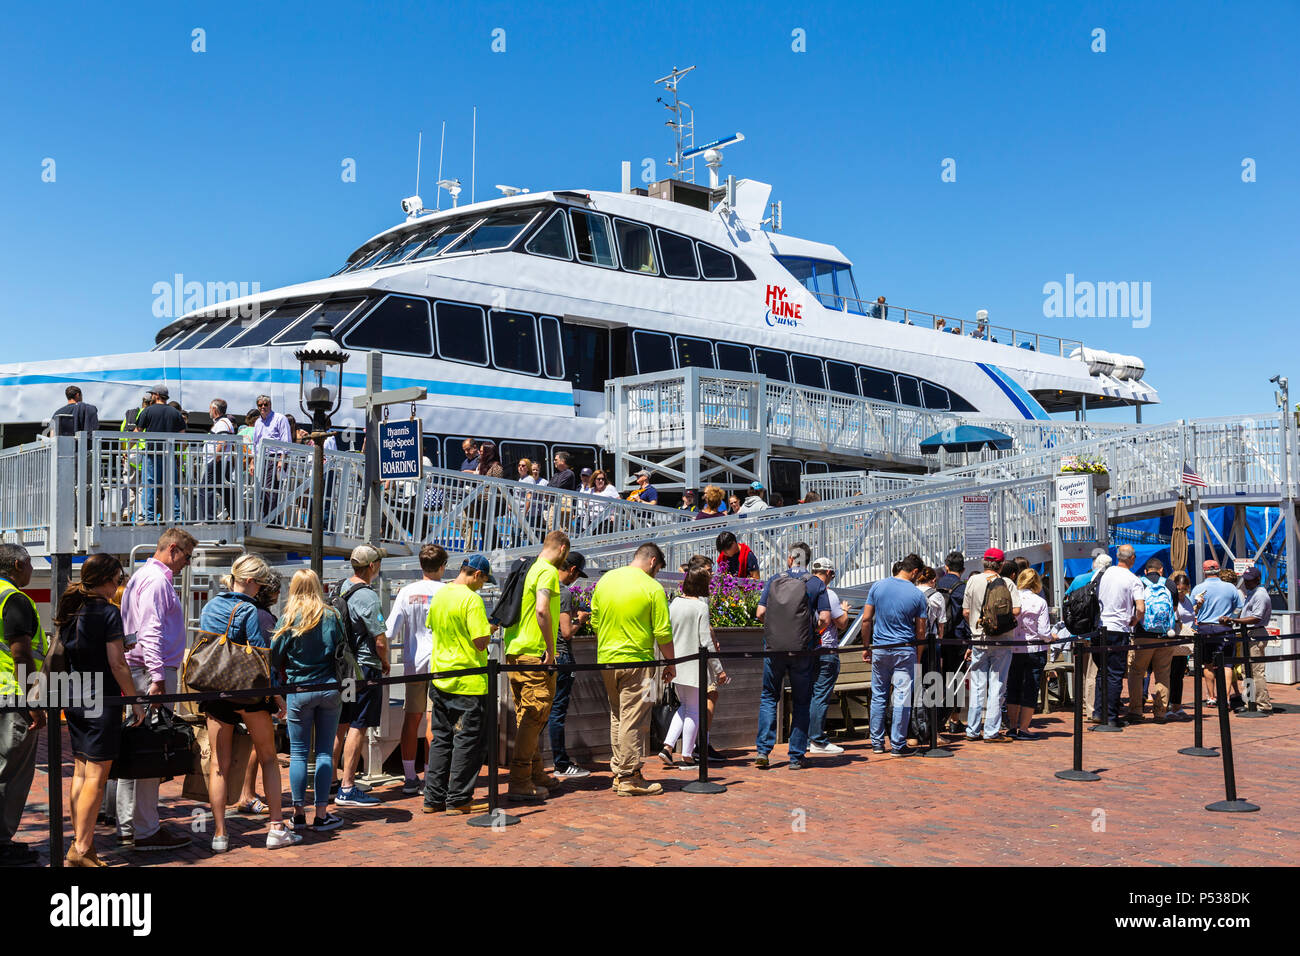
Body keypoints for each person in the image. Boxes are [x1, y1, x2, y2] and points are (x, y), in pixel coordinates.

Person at [198, 554, 300, 851]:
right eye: (260, 584)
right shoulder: (249, 611)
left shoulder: (210, 606)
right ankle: (276, 828)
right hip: (248, 694)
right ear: (251, 581)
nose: (261, 590)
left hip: (215, 691)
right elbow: (261, 659)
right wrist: (277, 696)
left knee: (219, 765)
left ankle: (219, 834)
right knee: (268, 758)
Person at [55, 554, 143, 866]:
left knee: (81, 773)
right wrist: (134, 700)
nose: (119, 583)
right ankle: (81, 848)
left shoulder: (71, 609)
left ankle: (80, 846)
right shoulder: (107, 611)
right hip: (102, 699)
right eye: (119, 577)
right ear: (107, 578)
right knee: (96, 775)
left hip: (75, 698)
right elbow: (117, 663)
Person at [116, 528, 195, 851]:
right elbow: (151, 630)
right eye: (187, 557)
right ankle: (145, 829)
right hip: (150, 671)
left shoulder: (141, 576)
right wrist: (158, 676)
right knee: (149, 750)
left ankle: (129, 825)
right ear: (173, 549)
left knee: (137, 748)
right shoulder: (158, 580)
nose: (187, 564)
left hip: (139, 669)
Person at [590, 543, 675, 795]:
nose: (656, 573)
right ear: (652, 562)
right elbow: (662, 632)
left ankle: (620, 772)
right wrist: (671, 663)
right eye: (658, 569)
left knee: (618, 716)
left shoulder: (605, 581)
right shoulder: (652, 587)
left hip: (607, 659)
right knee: (634, 719)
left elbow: (595, 620)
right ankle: (629, 776)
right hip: (639, 661)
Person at [270, 569, 346, 833]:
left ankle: (299, 813)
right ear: (317, 587)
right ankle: (322, 814)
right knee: (325, 751)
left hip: (298, 691)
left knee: (299, 753)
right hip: (328, 688)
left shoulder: (287, 619)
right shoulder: (332, 616)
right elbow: (341, 651)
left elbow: (275, 658)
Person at [424, 555, 495, 814]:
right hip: (469, 682)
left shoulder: (441, 594)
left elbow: (432, 627)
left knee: (442, 739)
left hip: (440, 676)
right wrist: (491, 629)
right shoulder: (471, 599)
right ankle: (459, 799)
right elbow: (480, 641)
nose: (483, 586)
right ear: (476, 575)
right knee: (467, 740)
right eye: (484, 580)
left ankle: (433, 798)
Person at [503, 531, 569, 803]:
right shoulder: (547, 571)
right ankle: (520, 781)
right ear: (563, 548)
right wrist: (551, 649)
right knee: (534, 717)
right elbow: (542, 609)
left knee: (527, 718)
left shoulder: (526, 568)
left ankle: (536, 772)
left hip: (514, 652)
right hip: (535, 655)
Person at [754, 545, 829, 770]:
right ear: (808, 560)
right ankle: (796, 756)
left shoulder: (775, 579)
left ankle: (763, 752)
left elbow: (760, 613)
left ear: (790, 558)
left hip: (774, 649)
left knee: (769, 697)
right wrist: (812, 631)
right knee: (801, 701)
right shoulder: (816, 584)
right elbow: (825, 618)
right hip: (802, 651)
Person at [0, 544, 49, 865]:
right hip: (11, 695)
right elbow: (20, 653)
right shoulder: (14, 598)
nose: (32, 570)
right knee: (11, 773)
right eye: (30, 564)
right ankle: (2, 844)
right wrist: (34, 700)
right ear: (18, 564)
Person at [385, 544, 447, 794]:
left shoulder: (407, 592)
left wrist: (382, 658)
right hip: (443, 663)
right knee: (435, 721)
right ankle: (431, 777)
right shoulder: (448, 592)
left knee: (412, 719)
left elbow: (389, 631)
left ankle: (410, 777)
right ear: (442, 566)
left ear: (420, 565)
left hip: (414, 662)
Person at [333, 545, 391, 807]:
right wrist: (385, 662)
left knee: (342, 723)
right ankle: (347, 787)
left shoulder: (340, 587)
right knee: (359, 725)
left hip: (344, 668)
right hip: (365, 668)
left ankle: (330, 781)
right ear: (372, 566)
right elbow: (379, 640)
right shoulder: (368, 596)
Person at [658, 567, 728, 767]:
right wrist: (719, 669)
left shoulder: (675, 604)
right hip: (695, 665)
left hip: (677, 663)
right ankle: (687, 756)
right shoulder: (700, 607)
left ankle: (668, 747)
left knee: (686, 707)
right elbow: (706, 641)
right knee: (694, 711)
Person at [861, 554, 927, 756]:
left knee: (879, 696)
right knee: (901, 697)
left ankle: (877, 743)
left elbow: (866, 619)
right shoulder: (917, 595)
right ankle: (898, 744)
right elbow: (921, 631)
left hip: (880, 648)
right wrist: (918, 655)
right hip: (904, 649)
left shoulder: (878, 586)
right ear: (914, 572)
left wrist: (866, 646)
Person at [962, 548, 1021, 743]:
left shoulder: (973, 580)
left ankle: (972, 729)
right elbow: (1017, 610)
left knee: (978, 685)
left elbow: (965, 611)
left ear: (983, 562)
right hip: (1002, 639)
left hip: (979, 637)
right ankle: (991, 731)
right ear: (1001, 564)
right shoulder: (1008, 583)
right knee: (997, 685)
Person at [549, 551, 592, 778]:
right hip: (562, 657)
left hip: (545, 655)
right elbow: (566, 633)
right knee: (557, 712)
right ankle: (561, 763)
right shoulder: (563, 592)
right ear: (573, 569)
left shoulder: (543, 586)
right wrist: (579, 620)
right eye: (577, 575)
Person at [1093, 544, 1145, 726]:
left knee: (1102, 672)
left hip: (1099, 627)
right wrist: (1135, 620)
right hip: (1118, 629)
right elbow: (1140, 607)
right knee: (1115, 674)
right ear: (1132, 558)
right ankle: (1111, 717)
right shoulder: (1133, 579)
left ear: (1117, 556)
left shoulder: (1103, 573)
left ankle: (1099, 711)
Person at [807, 557, 850, 756]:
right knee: (820, 696)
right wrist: (846, 612)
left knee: (809, 695)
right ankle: (817, 739)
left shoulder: (804, 589)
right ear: (830, 573)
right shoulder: (828, 593)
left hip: (808, 650)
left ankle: (807, 737)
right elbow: (840, 622)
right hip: (826, 649)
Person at [1126, 559, 1176, 723]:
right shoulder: (1170, 584)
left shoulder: (1140, 583)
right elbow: (1174, 609)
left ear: (1146, 571)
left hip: (1143, 634)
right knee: (1163, 674)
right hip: (1165, 636)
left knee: (1137, 672)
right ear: (1161, 569)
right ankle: (1160, 713)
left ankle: (1135, 710)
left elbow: (1135, 607)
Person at [1007, 569, 1051, 739]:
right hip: (1034, 648)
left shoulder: (1012, 598)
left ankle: (1012, 726)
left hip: (1013, 648)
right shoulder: (1039, 601)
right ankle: (1024, 728)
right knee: (1030, 689)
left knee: (1013, 686)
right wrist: (1051, 637)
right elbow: (1044, 631)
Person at [1191, 560, 1241, 707]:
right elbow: (1239, 607)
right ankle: (1224, 698)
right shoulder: (1230, 588)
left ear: (1204, 571)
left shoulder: (1198, 588)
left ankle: (1211, 697)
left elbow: (1191, 609)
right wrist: (1232, 617)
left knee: (1207, 663)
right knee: (1227, 665)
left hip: (1205, 628)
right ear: (1219, 571)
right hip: (1224, 627)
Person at [134, 385, 185, 522]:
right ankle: (177, 516)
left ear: (156, 395)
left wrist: (128, 446)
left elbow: (137, 432)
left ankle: (149, 517)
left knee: (149, 485)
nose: (151, 396)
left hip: (151, 453)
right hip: (169, 454)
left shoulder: (148, 411)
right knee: (172, 485)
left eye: (152, 394)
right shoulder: (175, 413)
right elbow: (182, 436)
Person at [935, 552, 968, 734]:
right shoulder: (962, 588)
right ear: (963, 569)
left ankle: (936, 719)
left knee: (935, 678)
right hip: (957, 638)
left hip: (938, 638)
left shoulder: (937, 584)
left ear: (946, 567)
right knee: (956, 679)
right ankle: (954, 719)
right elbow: (966, 616)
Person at [1232, 566, 1273, 714]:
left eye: (1249, 580)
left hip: (1255, 634)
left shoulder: (1260, 594)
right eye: (1246, 580)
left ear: (1257, 580)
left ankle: (1263, 704)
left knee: (1256, 671)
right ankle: (1250, 702)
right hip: (1248, 634)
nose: (1247, 583)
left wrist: (1236, 620)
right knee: (1246, 670)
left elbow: (1257, 617)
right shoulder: (1252, 593)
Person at [1167, 571, 1195, 717]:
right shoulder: (1172, 599)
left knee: (1179, 675)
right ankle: (1169, 705)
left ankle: (1177, 705)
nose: (1182, 593)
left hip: (1185, 640)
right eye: (1179, 590)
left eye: (1184, 590)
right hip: (1174, 639)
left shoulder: (1187, 600)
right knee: (1171, 674)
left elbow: (1189, 616)